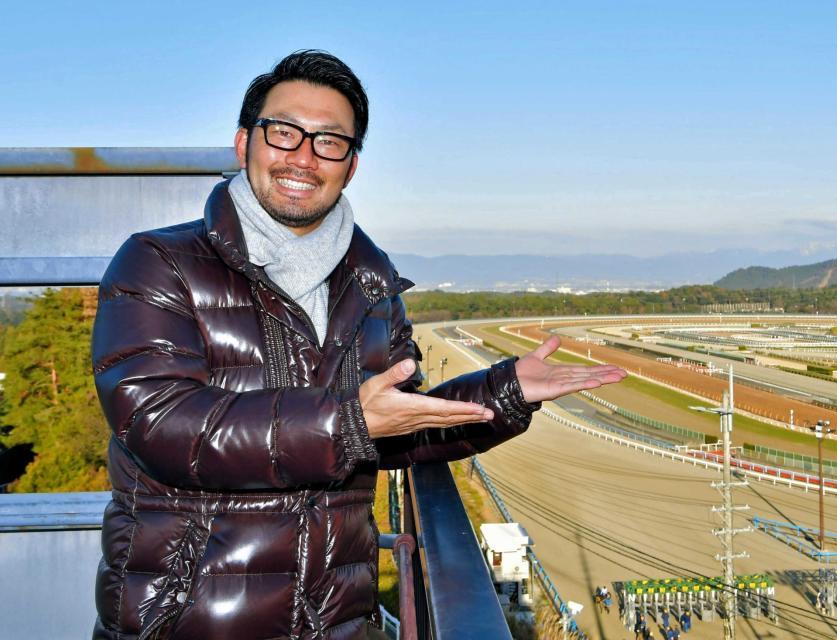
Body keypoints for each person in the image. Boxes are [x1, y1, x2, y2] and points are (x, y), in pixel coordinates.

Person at [90, 50, 626, 640]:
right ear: (244, 145)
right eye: (284, 132)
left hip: (337, 619)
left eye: (329, 141)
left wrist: (506, 390)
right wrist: (346, 423)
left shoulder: (373, 285)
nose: (303, 156)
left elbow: (393, 430)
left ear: (351, 165)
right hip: (190, 620)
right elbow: (161, 424)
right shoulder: (159, 261)